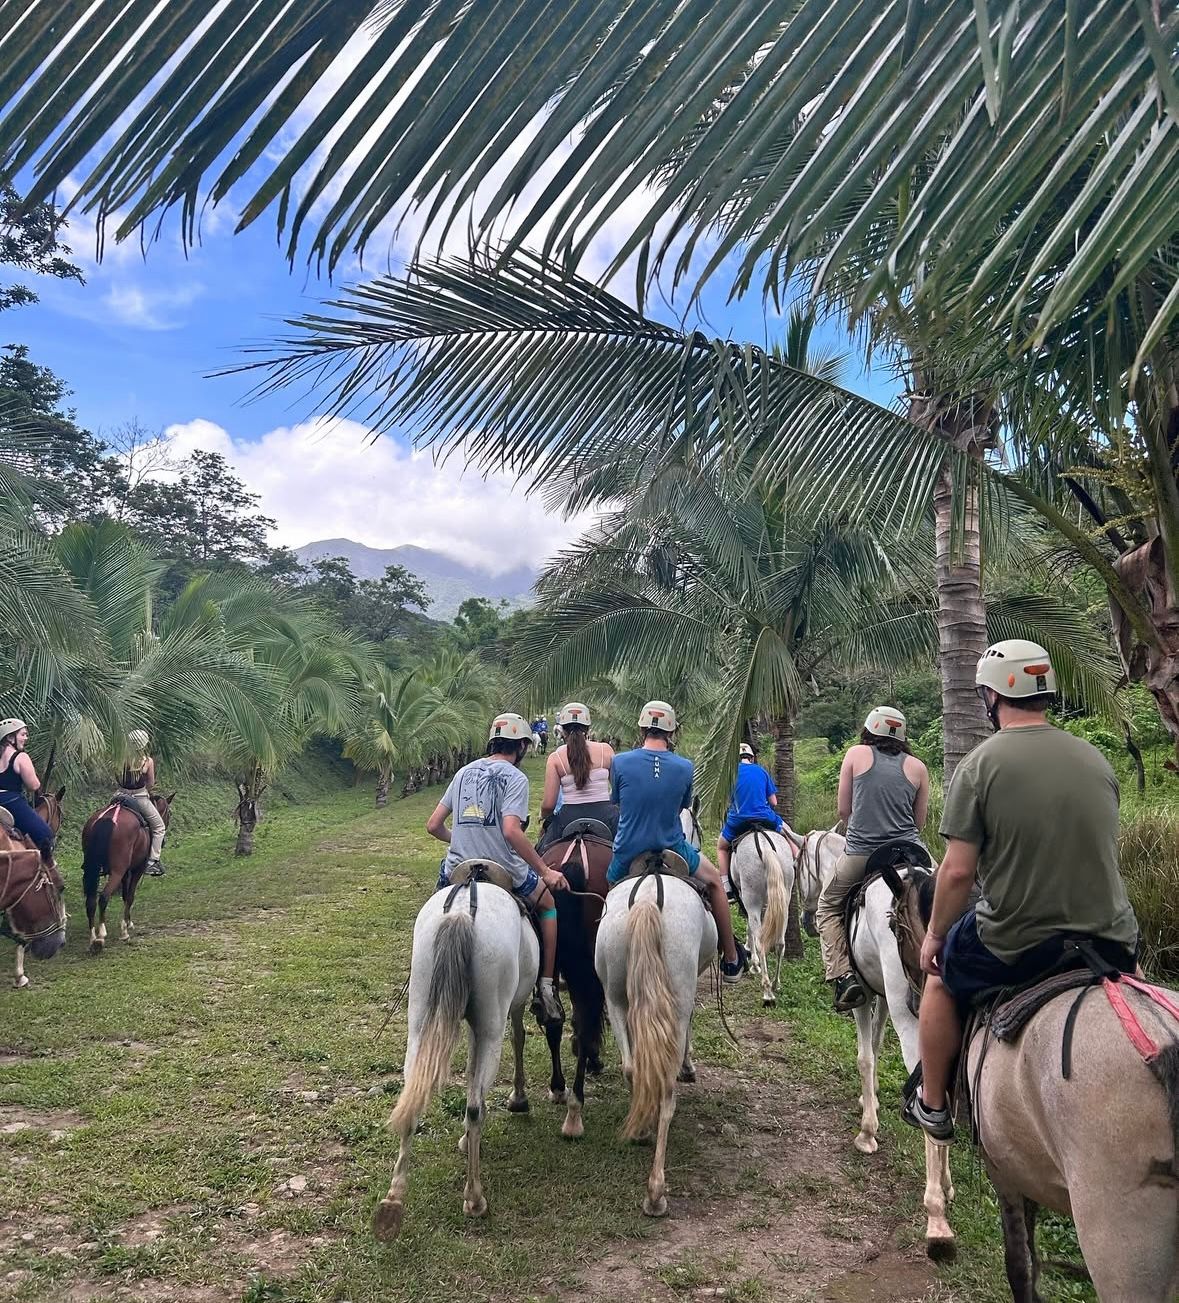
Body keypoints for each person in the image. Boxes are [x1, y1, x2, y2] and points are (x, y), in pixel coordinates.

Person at [902, 640, 1139, 1142]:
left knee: (942, 979)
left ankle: (934, 1104)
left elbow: (958, 873)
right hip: (1112, 937)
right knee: (1141, 997)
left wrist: (935, 937)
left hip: (1018, 939)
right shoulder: (1096, 759)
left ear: (993, 696)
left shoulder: (981, 766)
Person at [427, 711, 569, 1027]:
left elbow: (434, 825)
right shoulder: (515, 778)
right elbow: (511, 831)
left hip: (458, 867)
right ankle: (546, 986)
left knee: (435, 911)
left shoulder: (463, 772)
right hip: (503, 867)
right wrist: (545, 871)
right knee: (548, 906)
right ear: (519, 747)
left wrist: (461, 840)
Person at [606, 700, 747, 982]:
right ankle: (731, 959)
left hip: (628, 851)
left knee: (607, 893)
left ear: (642, 727)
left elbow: (618, 802)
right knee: (715, 883)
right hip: (673, 847)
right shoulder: (684, 766)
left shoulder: (619, 762)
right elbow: (683, 806)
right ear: (671, 732)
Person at [817, 706, 931, 1012]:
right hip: (911, 852)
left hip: (863, 853)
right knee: (944, 897)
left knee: (827, 906)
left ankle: (843, 976)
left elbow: (844, 810)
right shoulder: (918, 768)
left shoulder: (855, 755)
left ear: (869, 730)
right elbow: (918, 824)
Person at [537, 702, 617, 851]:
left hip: (568, 816)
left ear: (562, 730)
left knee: (542, 856)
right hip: (607, 815)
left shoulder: (555, 758)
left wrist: (543, 816)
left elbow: (548, 805)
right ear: (588, 728)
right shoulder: (606, 750)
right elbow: (617, 790)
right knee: (631, 856)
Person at [716, 741, 782, 899]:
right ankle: (796, 862)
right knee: (791, 836)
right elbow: (774, 802)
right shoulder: (761, 771)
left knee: (721, 847)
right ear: (752, 758)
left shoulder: (731, 774)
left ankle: (726, 886)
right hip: (765, 818)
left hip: (738, 821)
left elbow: (726, 801)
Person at [0, 717, 58, 871]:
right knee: (45, 835)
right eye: (23, 734)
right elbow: (34, 785)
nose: (26, 738)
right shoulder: (20, 757)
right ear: (10, 737)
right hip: (11, 802)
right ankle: (46, 874)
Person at [116, 729, 168, 876]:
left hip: (120, 794)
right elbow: (150, 783)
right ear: (144, 744)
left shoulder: (121, 757)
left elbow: (117, 776)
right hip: (139, 798)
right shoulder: (147, 761)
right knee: (159, 827)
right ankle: (152, 862)